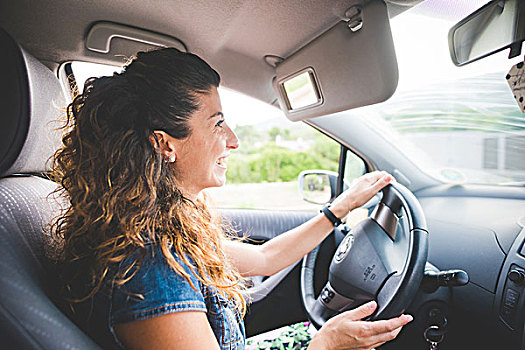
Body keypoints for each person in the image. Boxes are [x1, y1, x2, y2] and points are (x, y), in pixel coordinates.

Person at [52, 47, 412, 350]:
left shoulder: (164, 228)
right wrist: (326, 344)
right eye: (217, 124)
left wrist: (340, 209)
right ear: (165, 144)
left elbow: (266, 257)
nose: (233, 139)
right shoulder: (151, 266)